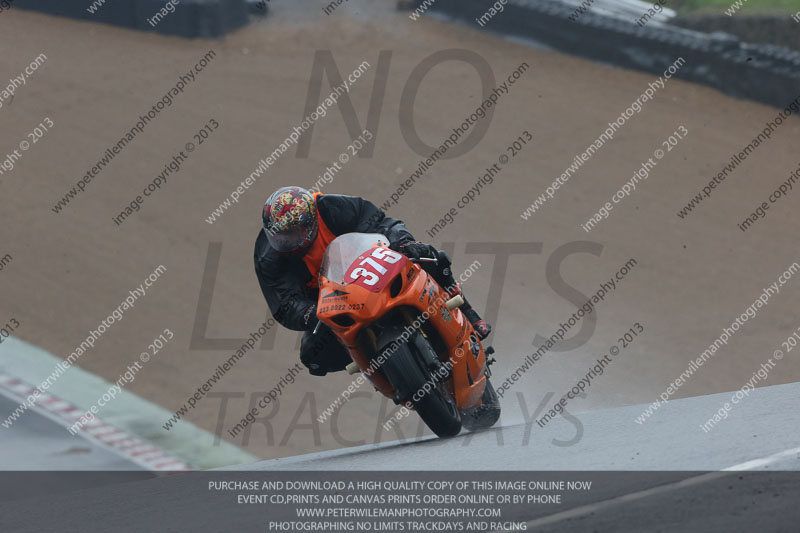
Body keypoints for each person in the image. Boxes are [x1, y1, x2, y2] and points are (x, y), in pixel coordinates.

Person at [254, 186, 491, 376]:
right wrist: (310, 314)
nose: (287, 241)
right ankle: (385, 369)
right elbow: (284, 304)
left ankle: (468, 313)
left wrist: (402, 243)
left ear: (311, 220)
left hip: (373, 267)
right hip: (328, 301)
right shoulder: (268, 258)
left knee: (428, 256)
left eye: (294, 232)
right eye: (280, 236)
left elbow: (381, 223)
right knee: (313, 356)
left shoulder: (331, 208)